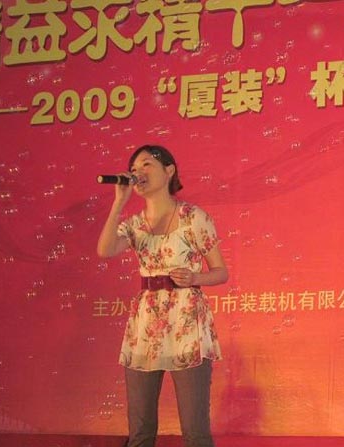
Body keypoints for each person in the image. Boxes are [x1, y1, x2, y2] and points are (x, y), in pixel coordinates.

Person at [97, 145, 228, 447]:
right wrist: (119, 202)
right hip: (147, 324)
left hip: (186, 322)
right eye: (134, 167)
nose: (137, 172)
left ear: (169, 171)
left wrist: (195, 278)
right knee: (140, 430)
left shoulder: (193, 217)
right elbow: (105, 250)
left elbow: (221, 272)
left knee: (194, 430)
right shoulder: (134, 224)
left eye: (146, 164)